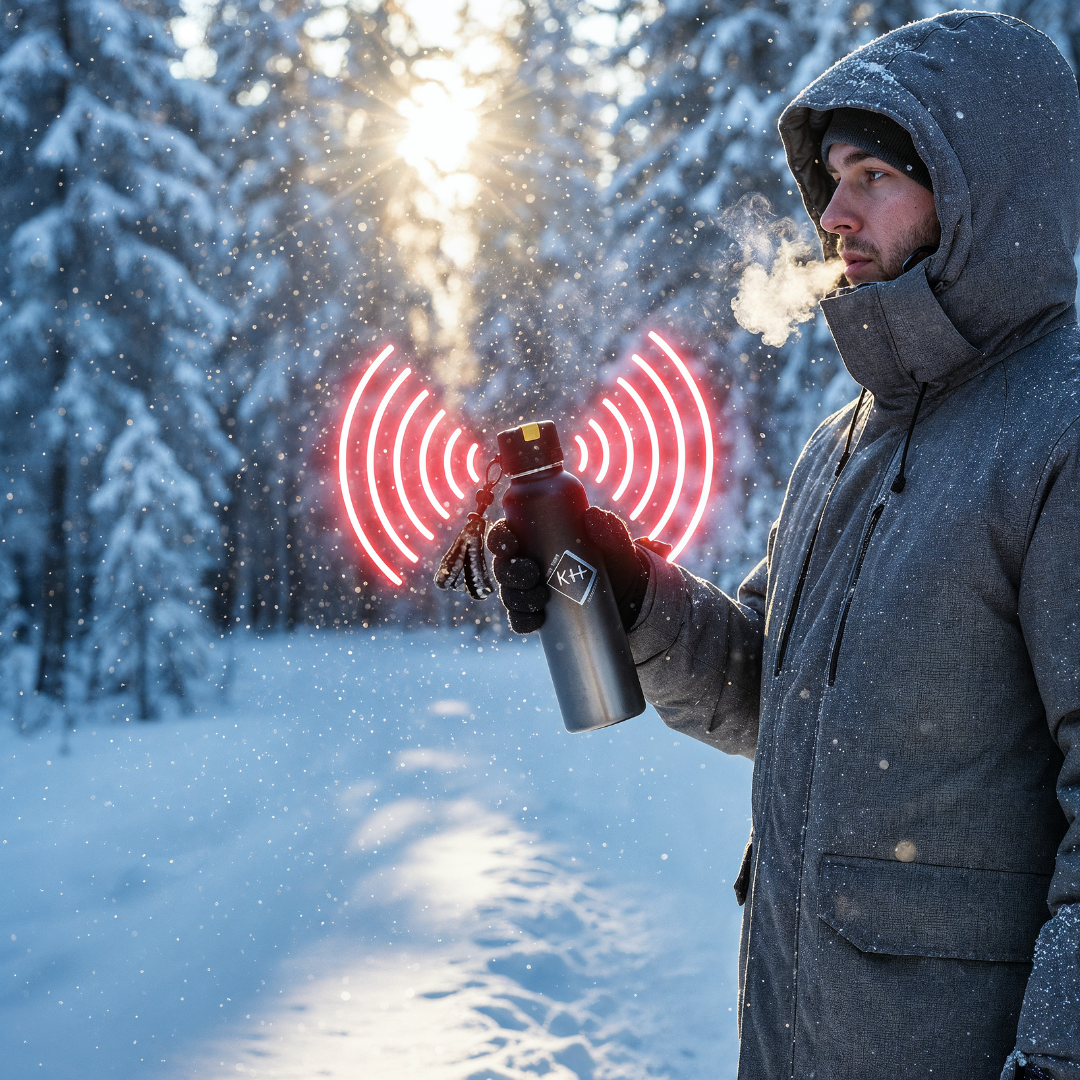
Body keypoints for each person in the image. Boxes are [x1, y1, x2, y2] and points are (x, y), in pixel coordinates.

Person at [487, 11, 1080, 1080]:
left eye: (874, 176)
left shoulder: (1059, 434)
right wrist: (627, 590)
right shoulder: (843, 444)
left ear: (977, 192)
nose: (833, 212)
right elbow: (767, 687)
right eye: (831, 177)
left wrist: (1056, 1054)